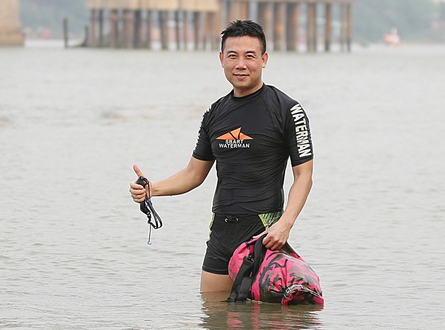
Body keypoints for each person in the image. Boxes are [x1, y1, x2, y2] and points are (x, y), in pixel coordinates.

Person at [129, 19, 315, 294]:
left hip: (263, 232)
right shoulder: (215, 113)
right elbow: (194, 173)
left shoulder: (287, 110)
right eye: (233, 56)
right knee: (214, 324)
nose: (241, 64)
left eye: (250, 56)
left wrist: (285, 224)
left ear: (264, 59)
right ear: (221, 59)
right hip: (221, 231)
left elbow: (304, 176)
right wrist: (152, 189)